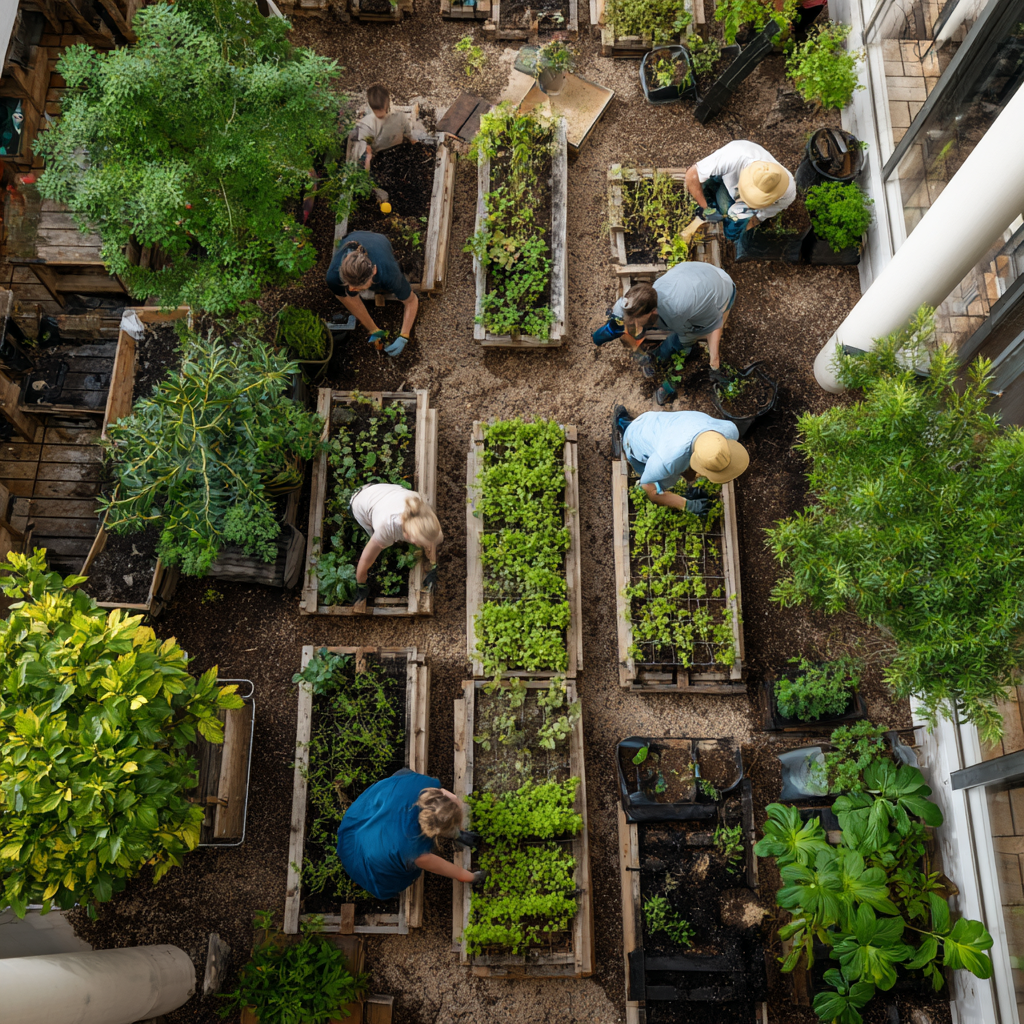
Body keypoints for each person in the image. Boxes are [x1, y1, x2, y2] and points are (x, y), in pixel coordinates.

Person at [592, 262, 736, 406]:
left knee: (681, 344)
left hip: (720, 295)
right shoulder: (634, 301)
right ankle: (653, 358)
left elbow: (706, 330)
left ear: (653, 311)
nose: (634, 326)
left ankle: (666, 374)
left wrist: (714, 363)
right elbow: (619, 317)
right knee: (629, 326)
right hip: (697, 273)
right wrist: (607, 333)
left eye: (636, 322)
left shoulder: (678, 312)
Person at [336, 768, 486, 900]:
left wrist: (459, 832)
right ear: (434, 831)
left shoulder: (421, 786)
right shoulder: (415, 850)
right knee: (406, 869)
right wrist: (474, 877)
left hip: (359, 819)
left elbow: (450, 798)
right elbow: (457, 873)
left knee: (401, 776)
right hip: (360, 859)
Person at [612, 404, 749, 509]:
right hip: (637, 438)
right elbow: (649, 487)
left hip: (663, 424)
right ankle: (622, 425)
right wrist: (685, 505)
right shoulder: (667, 461)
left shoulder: (729, 431)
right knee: (650, 473)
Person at [684, 140, 796, 259]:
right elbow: (692, 176)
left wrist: (746, 224)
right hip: (727, 181)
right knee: (708, 189)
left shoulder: (787, 194)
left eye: (754, 202)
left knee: (732, 230)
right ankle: (713, 193)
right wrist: (705, 208)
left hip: (739, 204)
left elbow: (759, 217)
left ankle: (729, 237)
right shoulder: (733, 157)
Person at [327, 232, 418, 357]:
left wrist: (404, 335)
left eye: (360, 287)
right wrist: (374, 330)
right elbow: (347, 298)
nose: (352, 290)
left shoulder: (388, 272)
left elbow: (411, 301)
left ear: (374, 270)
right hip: (352, 237)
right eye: (351, 286)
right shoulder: (333, 276)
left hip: (379, 241)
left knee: (387, 286)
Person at [350, 483, 442, 603]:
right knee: (376, 540)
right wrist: (361, 585)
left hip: (381, 491)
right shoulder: (387, 527)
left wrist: (432, 565)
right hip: (359, 503)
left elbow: (432, 542)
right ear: (407, 536)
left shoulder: (426, 516)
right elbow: (365, 560)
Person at [350, 84, 417, 169]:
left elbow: (410, 136)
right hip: (381, 157)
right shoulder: (367, 125)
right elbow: (368, 151)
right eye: (376, 110)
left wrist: (416, 146)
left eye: (381, 109)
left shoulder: (400, 117)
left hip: (399, 153)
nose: (379, 114)